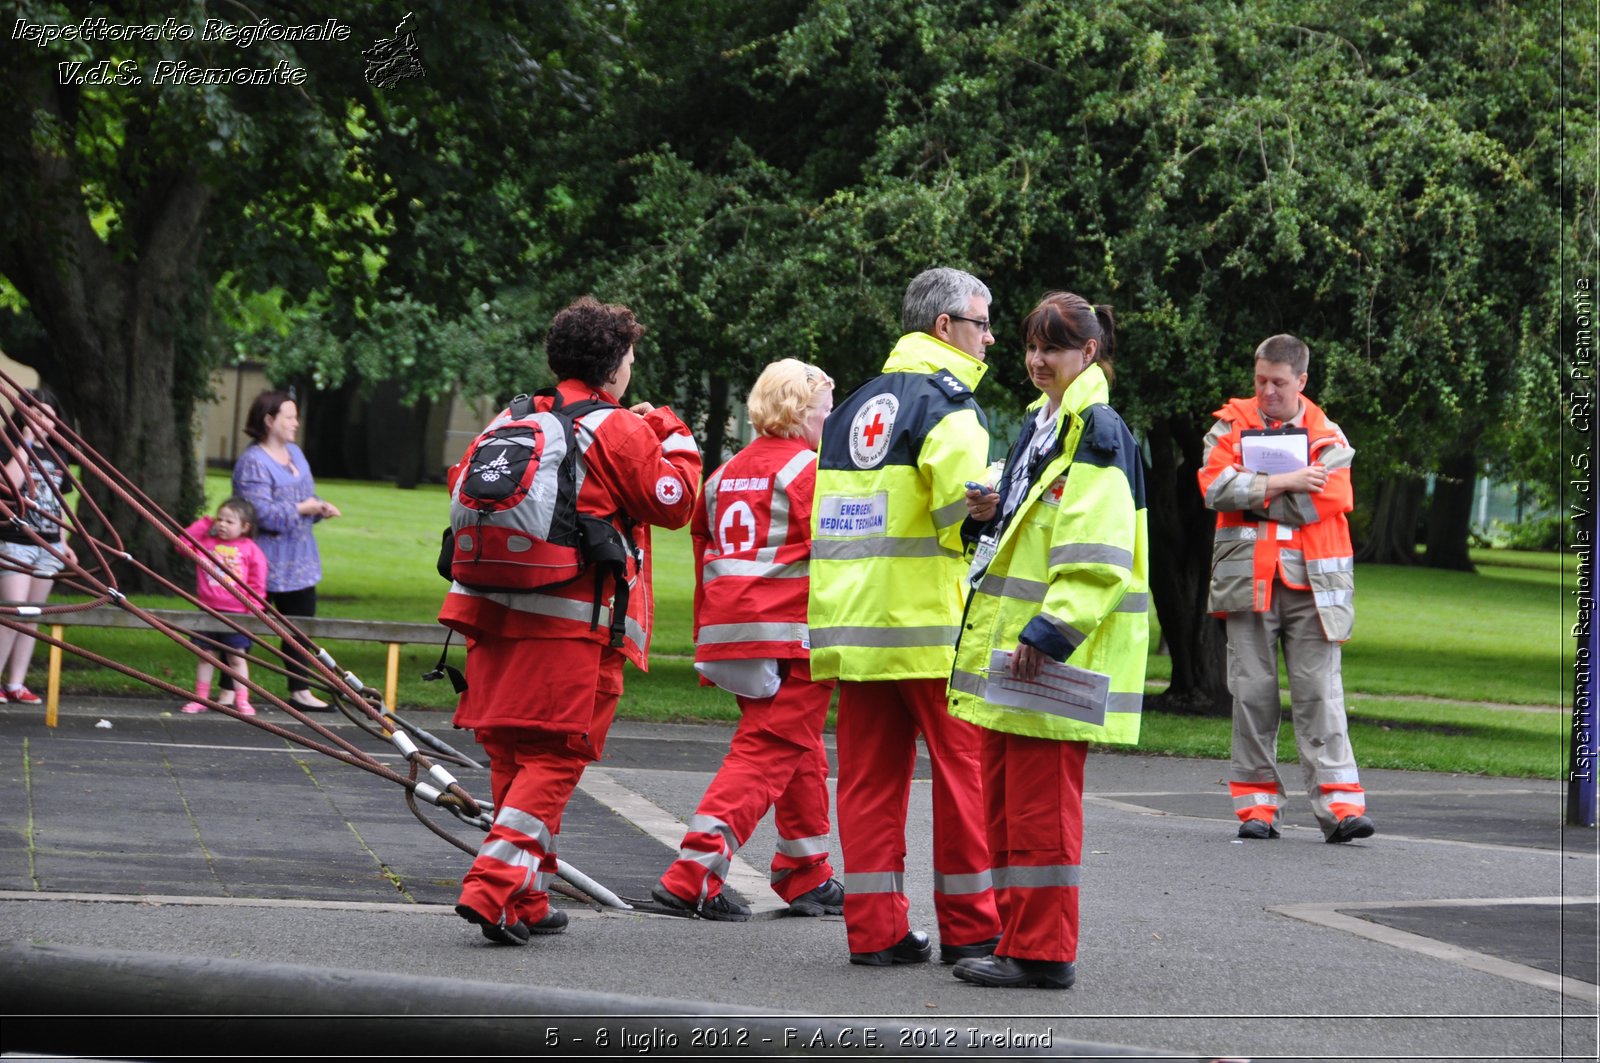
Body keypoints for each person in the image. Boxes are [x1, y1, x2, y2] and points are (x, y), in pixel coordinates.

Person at [441, 295, 701, 946]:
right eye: (631, 360)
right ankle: (493, 884)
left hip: (491, 614)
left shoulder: (512, 416)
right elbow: (674, 502)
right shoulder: (616, 427)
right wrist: (670, 429)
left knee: (511, 751)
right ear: (614, 365)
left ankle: (527, 897)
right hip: (571, 625)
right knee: (557, 755)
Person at [946, 291, 1149, 990]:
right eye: (1031, 346)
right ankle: (1020, 938)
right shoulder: (1048, 424)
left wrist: (1050, 631)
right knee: (1010, 805)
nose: (1035, 360)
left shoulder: (1094, 429)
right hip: (1022, 652)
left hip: (1051, 653)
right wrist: (993, 510)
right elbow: (1037, 530)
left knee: (1040, 812)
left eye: (1051, 349)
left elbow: (1097, 550)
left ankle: (1042, 949)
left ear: (1087, 353)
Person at [808, 266, 1003, 967]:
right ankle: (974, 927)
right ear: (945, 327)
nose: (991, 339)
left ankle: (876, 931)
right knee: (965, 776)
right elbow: (962, 514)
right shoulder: (949, 404)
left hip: (853, 628)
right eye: (982, 324)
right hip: (930, 629)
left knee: (865, 782)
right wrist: (999, 498)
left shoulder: (853, 404)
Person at [653, 359, 844, 922]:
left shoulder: (721, 475)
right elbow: (835, 559)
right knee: (771, 750)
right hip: (789, 634)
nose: (830, 424)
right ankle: (693, 873)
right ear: (800, 412)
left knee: (795, 745)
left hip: (732, 632)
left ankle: (805, 871)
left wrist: (704, 640)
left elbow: (703, 559)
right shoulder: (809, 473)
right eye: (825, 412)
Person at [1197, 333, 1374, 844]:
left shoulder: (1328, 434)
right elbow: (1213, 487)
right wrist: (1286, 481)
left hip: (1314, 586)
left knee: (1319, 693)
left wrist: (1253, 489)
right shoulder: (1230, 424)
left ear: (1301, 380)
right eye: (1260, 381)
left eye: (1278, 382)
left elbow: (1332, 496)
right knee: (1252, 695)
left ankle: (1340, 809)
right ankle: (1257, 810)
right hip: (1247, 581)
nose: (1267, 391)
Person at [231, 391, 341, 711]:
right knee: (243, 629)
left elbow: (306, 498)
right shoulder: (253, 462)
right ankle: (230, 691)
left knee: (300, 630)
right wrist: (305, 508)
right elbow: (260, 515)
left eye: (295, 416)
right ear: (269, 420)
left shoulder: (296, 453)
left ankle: (301, 691)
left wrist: (319, 508)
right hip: (261, 562)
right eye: (289, 417)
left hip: (301, 560)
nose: (296, 423)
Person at [0, 389, 76, 705]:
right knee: (13, 614)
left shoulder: (59, 454)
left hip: (46, 545)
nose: (43, 421)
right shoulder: (8, 447)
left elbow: (58, 502)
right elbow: (9, 485)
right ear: (22, 415)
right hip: (15, 543)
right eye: (35, 414)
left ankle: (16, 683)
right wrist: (27, 440)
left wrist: (62, 542)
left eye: (49, 415)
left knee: (32, 616)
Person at [179, 498, 269, 717]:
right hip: (208, 610)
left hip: (237, 613)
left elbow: (258, 582)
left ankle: (242, 699)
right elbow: (182, 543)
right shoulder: (206, 545)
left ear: (245, 527)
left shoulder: (251, 550)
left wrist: (254, 607)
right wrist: (206, 521)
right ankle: (201, 698)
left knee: (236, 658)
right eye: (220, 519)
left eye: (230, 521)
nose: (222, 524)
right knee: (205, 655)